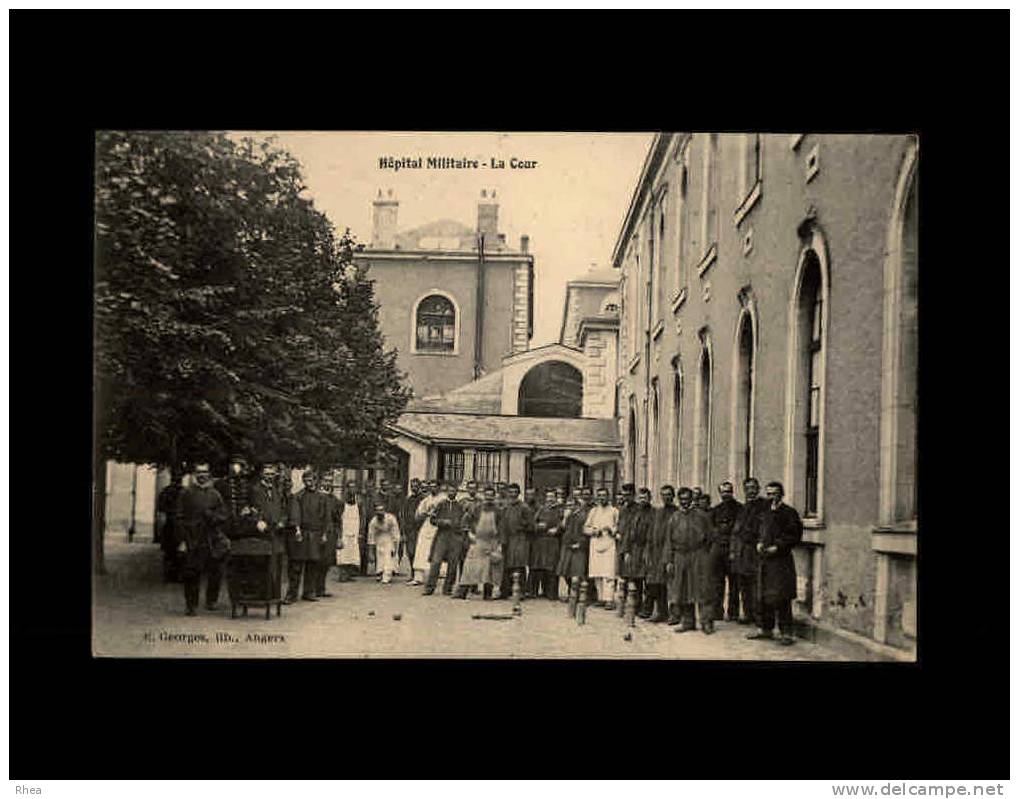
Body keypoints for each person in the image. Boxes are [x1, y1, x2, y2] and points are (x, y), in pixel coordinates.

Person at [747, 481, 803, 645]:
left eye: (775, 493)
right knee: (763, 596)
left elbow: (794, 536)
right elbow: (756, 532)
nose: (771, 497)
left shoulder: (789, 513)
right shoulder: (764, 513)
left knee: (781, 597)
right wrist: (758, 543)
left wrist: (777, 547)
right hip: (764, 561)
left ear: (781, 494)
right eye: (769, 493)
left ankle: (786, 633)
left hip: (780, 562)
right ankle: (765, 629)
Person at [174, 463, 229, 615]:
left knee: (215, 572)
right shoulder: (186, 493)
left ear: (209, 474)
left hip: (211, 539)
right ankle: (191, 605)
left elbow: (223, 516)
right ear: (194, 474)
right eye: (199, 472)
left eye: (205, 472)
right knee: (192, 572)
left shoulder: (215, 494)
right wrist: (182, 540)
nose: (202, 475)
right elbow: (178, 518)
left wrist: (213, 517)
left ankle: (211, 601)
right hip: (192, 538)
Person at [664, 487, 716, 634]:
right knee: (684, 589)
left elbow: (711, 537)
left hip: (699, 555)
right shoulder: (674, 517)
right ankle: (688, 622)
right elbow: (668, 541)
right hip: (680, 556)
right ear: (678, 500)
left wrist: (706, 556)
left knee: (703, 589)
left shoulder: (701, 516)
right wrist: (669, 560)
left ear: (692, 499)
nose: (685, 502)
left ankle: (706, 622)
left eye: (687, 499)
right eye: (682, 499)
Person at [286, 470, 330, 603]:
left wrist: (324, 534)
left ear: (315, 480)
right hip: (302, 533)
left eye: (311, 480)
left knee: (313, 563)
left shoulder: (322, 497)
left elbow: (326, 518)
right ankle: (292, 594)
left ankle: (309, 592)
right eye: (306, 480)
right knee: (296, 565)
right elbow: (295, 514)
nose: (309, 483)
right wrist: (297, 530)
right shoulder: (298, 496)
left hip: (316, 534)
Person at [250, 462, 289, 601]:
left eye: (272, 474)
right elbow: (251, 509)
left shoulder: (278, 490)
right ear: (262, 474)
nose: (270, 477)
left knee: (276, 564)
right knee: (261, 563)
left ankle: (274, 595)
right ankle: (261, 595)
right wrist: (257, 521)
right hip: (262, 532)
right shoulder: (255, 490)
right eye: (267, 474)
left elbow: (284, 509)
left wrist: (282, 521)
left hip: (276, 532)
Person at [456, 485, 503, 600]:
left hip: (492, 542)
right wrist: (469, 534)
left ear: (494, 497)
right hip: (477, 541)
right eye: (487, 495)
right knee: (470, 566)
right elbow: (465, 521)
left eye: (491, 496)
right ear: (484, 496)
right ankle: (462, 592)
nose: (489, 498)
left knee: (489, 570)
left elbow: (502, 527)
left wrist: (500, 543)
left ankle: (487, 594)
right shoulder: (476, 508)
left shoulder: (498, 511)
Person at [731, 477, 767, 624]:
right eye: (747, 488)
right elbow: (736, 530)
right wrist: (734, 551)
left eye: (753, 487)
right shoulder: (743, 507)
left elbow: (765, 528)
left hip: (756, 551)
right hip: (743, 552)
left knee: (757, 585)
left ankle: (760, 617)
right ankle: (748, 614)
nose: (750, 491)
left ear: (758, 488)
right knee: (744, 584)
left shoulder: (764, 506)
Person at [423, 483, 467, 596]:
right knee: (436, 561)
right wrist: (442, 522)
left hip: (455, 537)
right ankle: (430, 588)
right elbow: (432, 520)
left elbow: (465, 522)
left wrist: (460, 528)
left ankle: (448, 588)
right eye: (450, 491)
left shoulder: (460, 506)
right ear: (447, 492)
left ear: (457, 492)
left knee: (453, 563)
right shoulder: (441, 504)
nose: (452, 493)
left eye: (454, 491)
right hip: (442, 535)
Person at [642, 485, 676, 622]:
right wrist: (647, 550)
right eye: (663, 495)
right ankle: (661, 612)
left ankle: (674, 614)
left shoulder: (676, 512)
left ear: (673, 496)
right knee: (656, 583)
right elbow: (651, 532)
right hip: (656, 553)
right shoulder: (658, 512)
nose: (665, 497)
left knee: (671, 584)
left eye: (668, 494)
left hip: (670, 552)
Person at [711, 481, 743, 621]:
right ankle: (717, 611)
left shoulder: (740, 509)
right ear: (720, 493)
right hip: (719, 549)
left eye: (728, 491)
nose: (726, 495)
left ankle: (733, 612)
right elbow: (710, 528)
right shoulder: (716, 510)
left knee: (734, 583)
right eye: (723, 492)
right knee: (717, 582)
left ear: (732, 492)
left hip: (733, 549)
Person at [619, 487, 654, 614]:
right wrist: (626, 551)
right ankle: (636, 606)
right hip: (634, 549)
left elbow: (653, 533)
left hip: (647, 548)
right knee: (635, 579)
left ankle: (648, 608)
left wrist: (648, 550)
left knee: (648, 580)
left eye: (645, 497)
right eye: (641, 498)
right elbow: (628, 532)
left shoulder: (653, 513)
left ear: (650, 498)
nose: (642, 500)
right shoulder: (635, 512)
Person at [497, 483, 534, 600]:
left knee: (519, 565)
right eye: (510, 492)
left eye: (515, 492)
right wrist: (502, 539)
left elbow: (531, 526)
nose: (512, 495)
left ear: (518, 494)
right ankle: (504, 592)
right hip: (506, 539)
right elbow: (501, 524)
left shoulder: (524, 508)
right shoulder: (505, 507)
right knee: (505, 566)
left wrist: (522, 526)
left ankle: (520, 592)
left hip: (520, 539)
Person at [584, 486, 619, 608]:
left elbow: (618, 528)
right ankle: (600, 598)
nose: (601, 498)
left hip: (609, 543)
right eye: (599, 496)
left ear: (608, 496)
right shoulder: (593, 511)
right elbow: (586, 528)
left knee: (608, 573)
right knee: (597, 573)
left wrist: (612, 530)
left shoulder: (614, 511)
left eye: (604, 495)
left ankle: (609, 599)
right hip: (596, 542)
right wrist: (594, 532)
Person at [529, 488, 562, 600]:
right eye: (548, 497)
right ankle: (535, 592)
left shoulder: (560, 510)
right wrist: (539, 526)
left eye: (552, 497)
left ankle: (551, 593)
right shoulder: (541, 509)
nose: (550, 499)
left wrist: (556, 529)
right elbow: (533, 523)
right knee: (538, 566)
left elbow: (562, 524)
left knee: (551, 567)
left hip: (552, 541)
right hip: (540, 541)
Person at [556, 489, 590, 594]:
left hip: (578, 546)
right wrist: (565, 518)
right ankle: (572, 590)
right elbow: (562, 528)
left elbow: (585, 530)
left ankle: (580, 593)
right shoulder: (568, 516)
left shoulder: (583, 515)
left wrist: (580, 543)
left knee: (578, 570)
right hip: (567, 545)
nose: (569, 508)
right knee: (565, 571)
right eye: (568, 506)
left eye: (572, 505)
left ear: (577, 505)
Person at [315, 472, 342, 597]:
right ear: (321, 482)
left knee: (326, 562)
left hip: (330, 533)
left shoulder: (335, 500)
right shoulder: (316, 496)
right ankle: (312, 589)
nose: (328, 483)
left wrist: (339, 536)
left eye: (330, 481)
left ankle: (321, 588)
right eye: (326, 480)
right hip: (317, 532)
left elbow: (337, 519)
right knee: (316, 561)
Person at [410, 480, 443, 586]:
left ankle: (436, 577)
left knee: (436, 551)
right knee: (421, 550)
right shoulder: (426, 500)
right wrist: (425, 513)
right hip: (427, 526)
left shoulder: (443, 499)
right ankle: (418, 577)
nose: (432, 489)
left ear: (439, 488)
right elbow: (417, 515)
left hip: (438, 527)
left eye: (435, 486)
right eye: (431, 487)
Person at [156, 470, 184, 582]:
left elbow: (161, 510)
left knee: (169, 552)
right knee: (179, 552)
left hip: (170, 525)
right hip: (179, 526)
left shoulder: (166, 491)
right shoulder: (184, 491)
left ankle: (170, 575)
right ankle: (176, 575)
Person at [368, 501, 401, 584]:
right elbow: (371, 537)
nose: (380, 513)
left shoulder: (391, 519)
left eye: (381, 510)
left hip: (389, 538)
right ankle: (380, 572)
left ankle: (387, 575)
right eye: (377, 511)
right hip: (379, 539)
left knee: (388, 557)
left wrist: (395, 548)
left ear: (384, 511)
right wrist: (371, 552)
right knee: (380, 557)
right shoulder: (373, 522)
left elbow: (396, 533)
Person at [336, 481, 363, 582]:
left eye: (354, 487)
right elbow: (338, 519)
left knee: (352, 554)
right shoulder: (342, 503)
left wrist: (360, 531)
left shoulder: (359, 503)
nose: (352, 490)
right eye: (350, 487)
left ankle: (349, 574)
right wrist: (339, 534)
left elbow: (361, 518)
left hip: (354, 531)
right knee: (343, 554)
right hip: (344, 532)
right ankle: (342, 574)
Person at [401, 478, 424, 581]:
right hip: (409, 529)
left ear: (419, 487)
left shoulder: (422, 499)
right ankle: (412, 572)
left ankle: (418, 575)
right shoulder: (408, 499)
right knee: (410, 552)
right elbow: (404, 514)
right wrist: (404, 528)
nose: (413, 488)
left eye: (415, 486)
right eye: (412, 486)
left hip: (418, 529)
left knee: (417, 552)